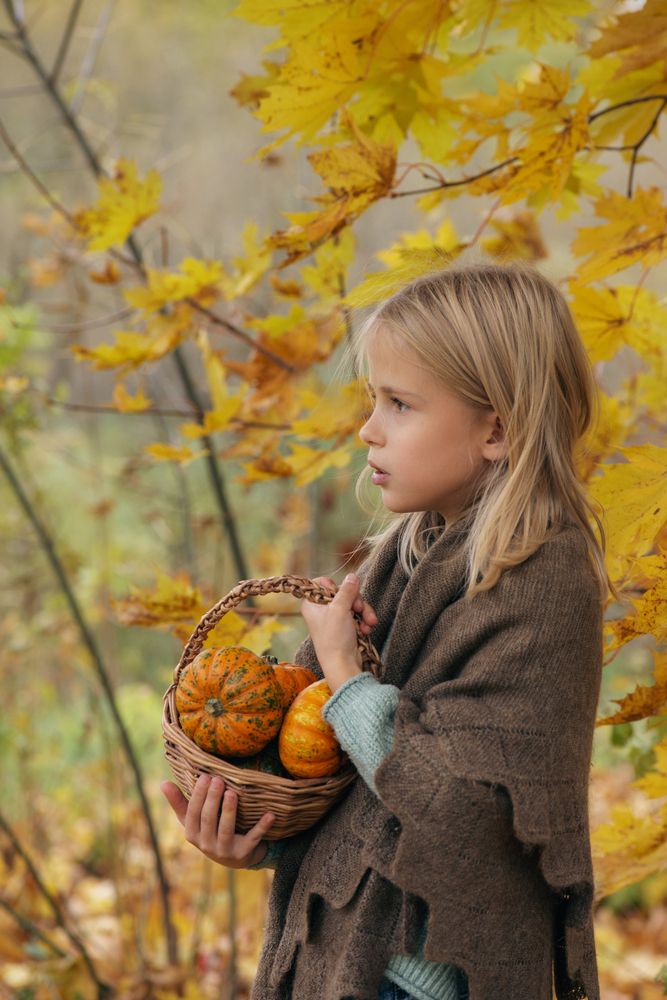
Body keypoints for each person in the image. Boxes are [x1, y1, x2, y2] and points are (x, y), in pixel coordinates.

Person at [161, 261, 612, 1000]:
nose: (368, 429)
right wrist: (258, 832)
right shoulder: (399, 557)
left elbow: (467, 813)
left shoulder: (545, 578)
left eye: (399, 404)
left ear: (495, 427)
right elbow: (333, 780)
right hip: (344, 954)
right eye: (374, 400)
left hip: (432, 980)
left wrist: (346, 677)